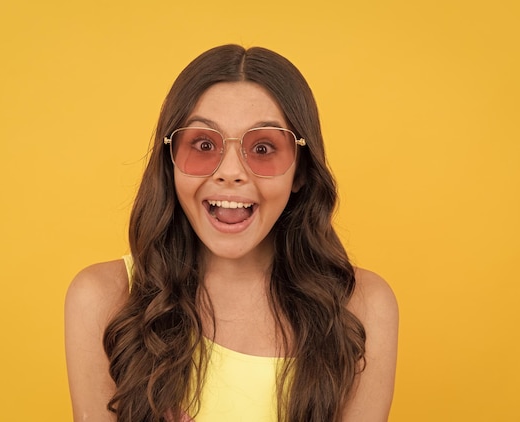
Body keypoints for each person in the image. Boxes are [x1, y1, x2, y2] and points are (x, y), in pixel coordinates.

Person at [65, 44, 398, 422]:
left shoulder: (364, 306)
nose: (230, 172)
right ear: (170, 160)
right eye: (204, 145)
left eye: (262, 147)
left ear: (301, 172)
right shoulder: (102, 299)